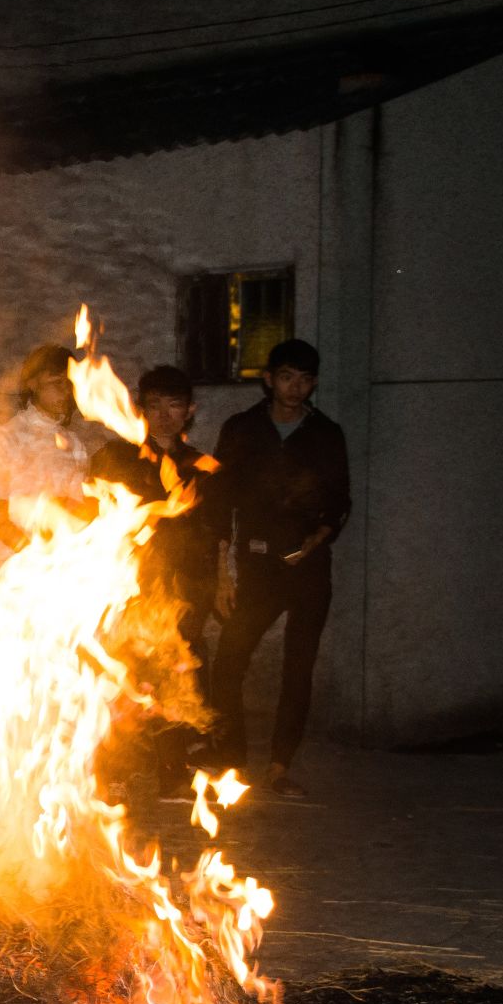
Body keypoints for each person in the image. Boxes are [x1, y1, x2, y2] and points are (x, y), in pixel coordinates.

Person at [205, 338, 350, 796]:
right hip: (258, 566)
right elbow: (219, 501)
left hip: (308, 570)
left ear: (315, 383)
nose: (296, 387)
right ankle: (232, 762)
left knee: (298, 667)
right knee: (229, 662)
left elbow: (341, 500)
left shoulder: (326, 433)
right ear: (269, 379)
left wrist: (318, 537)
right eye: (287, 376)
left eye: (305, 379)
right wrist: (222, 572)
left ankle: (280, 767)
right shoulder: (243, 428)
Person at [90, 365, 218, 789]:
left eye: (174, 405)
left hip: (184, 589)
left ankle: (171, 769)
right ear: (141, 409)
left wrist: (220, 581)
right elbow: (91, 519)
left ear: (189, 411)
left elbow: (213, 532)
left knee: (177, 674)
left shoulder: (202, 467)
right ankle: (115, 772)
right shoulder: (116, 458)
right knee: (119, 678)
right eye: (155, 405)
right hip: (129, 586)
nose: (164, 415)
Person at [0, 343, 101, 554]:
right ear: (33, 384)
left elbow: (81, 508)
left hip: (66, 563)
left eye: (69, 383)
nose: (65, 391)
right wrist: (33, 555)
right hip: (14, 567)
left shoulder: (75, 445)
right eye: (56, 383)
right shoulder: (5, 438)